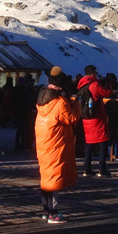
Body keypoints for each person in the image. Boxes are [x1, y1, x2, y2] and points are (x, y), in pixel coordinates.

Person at [35, 66, 78, 224]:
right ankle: (53, 212)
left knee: (46, 177)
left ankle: (46, 210)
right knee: (53, 178)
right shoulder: (60, 103)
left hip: (44, 145)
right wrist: (76, 104)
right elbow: (72, 119)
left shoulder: (42, 102)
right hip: (55, 146)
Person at [77, 65, 113, 177]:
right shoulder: (94, 84)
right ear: (93, 73)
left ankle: (86, 169)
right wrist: (109, 83)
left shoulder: (82, 85)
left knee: (89, 143)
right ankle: (102, 169)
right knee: (103, 142)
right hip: (96, 117)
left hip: (86, 118)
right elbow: (107, 93)